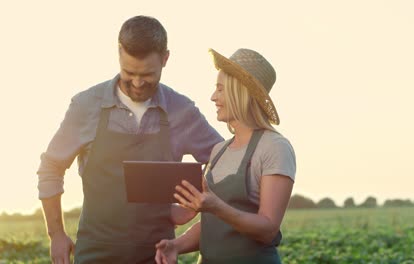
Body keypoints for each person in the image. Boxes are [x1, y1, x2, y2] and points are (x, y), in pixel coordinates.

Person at [37, 15, 223, 263]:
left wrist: (192, 204)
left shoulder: (182, 110)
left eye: (147, 74)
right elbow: (51, 167)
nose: (137, 83)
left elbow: (225, 162)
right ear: (119, 52)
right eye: (129, 72)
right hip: (95, 253)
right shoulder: (86, 105)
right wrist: (56, 234)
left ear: (165, 59)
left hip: (157, 254)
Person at [155, 48, 296, 264]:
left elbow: (268, 228)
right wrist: (177, 245)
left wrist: (216, 206)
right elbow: (214, 223)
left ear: (239, 93)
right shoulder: (218, 151)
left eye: (220, 90)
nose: (213, 97)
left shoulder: (274, 147)